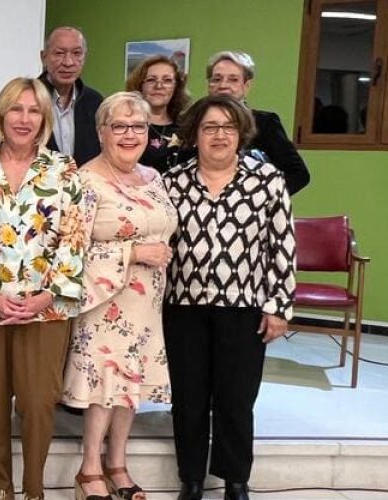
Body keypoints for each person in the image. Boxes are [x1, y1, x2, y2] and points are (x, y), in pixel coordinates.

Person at [162, 95, 296, 500]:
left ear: (241, 134)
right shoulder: (172, 182)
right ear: (194, 135)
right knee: (188, 399)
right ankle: (192, 479)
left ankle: (236, 480)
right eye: (209, 127)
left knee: (236, 398)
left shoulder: (268, 180)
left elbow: (284, 245)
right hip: (183, 306)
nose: (219, 135)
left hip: (244, 308)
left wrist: (279, 307)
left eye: (228, 127)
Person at [0, 77, 86, 500]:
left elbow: (75, 238)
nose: (24, 119)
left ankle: (33, 489)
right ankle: (0, 487)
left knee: (37, 404)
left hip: (46, 308)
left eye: (33, 111)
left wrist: (47, 294)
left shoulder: (64, 170)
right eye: (15, 109)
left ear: (44, 119)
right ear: (1, 114)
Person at [62, 92, 177, 500]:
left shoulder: (154, 177)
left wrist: (156, 250)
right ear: (101, 132)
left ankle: (118, 463)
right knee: (103, 383)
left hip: (147, 303)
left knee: (132, 383)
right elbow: (70, 249)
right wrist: (133, 252)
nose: (130, 135)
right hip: (104, 302)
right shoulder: (85, 180)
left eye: (139, 126)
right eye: (120, 126)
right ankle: (89, 467)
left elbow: (164, 227)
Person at [206, 50, 311, 194]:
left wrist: (261, 199)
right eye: (216, 79)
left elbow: (298, 174)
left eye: (233, 79)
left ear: (246, 86)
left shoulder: (265, 123)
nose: (223, 85)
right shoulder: (194, 121)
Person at [38, 26, 103, 165]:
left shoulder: (95, 102)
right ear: (44, 57)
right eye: (59, 53)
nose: (68, 62)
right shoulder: (28, 98)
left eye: (77, 53)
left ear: (84, 57)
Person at [125, 55, 189, 172]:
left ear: (176, 87)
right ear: (140, 86)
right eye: (151, 80)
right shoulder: (126, 127)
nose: (159, 86)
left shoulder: (187, 128)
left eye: (167, 80)